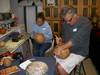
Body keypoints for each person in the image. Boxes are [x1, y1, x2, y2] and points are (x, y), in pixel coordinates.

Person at [53, 6, 92, 75]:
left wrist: (61, 48)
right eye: (65, 20)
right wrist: (60, 41)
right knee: (53, 62)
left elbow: (76, 40)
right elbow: (64, 39)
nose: (67, 23)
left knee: (60, 67)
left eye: (69, 20)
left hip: (79, 52)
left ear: (75, 15)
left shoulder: (85, 23)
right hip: (67, 49)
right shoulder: (65, 23)